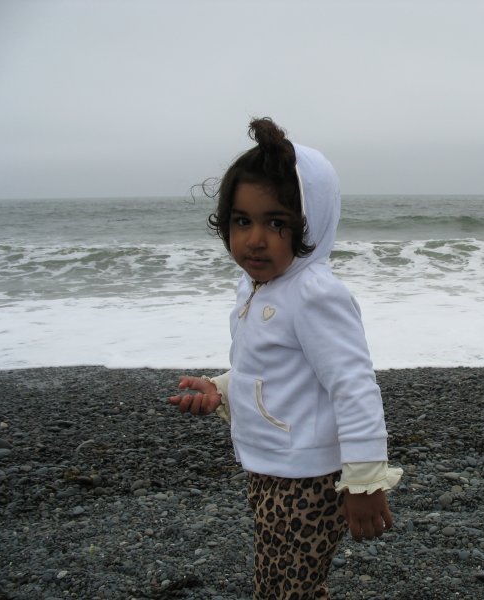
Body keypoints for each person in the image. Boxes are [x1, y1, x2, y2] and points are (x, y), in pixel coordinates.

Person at [168, 117, 402, 600]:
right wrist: (221, 390)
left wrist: (364, 480)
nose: (255, 239)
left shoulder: (314, 293)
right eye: (242, 221)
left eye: (276, 223)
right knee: (274, 578)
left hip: (311, 478)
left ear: (310, 224)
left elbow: (354, 386)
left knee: (295, 587)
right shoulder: (256, 285)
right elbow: (269, 368)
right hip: (269, 468)